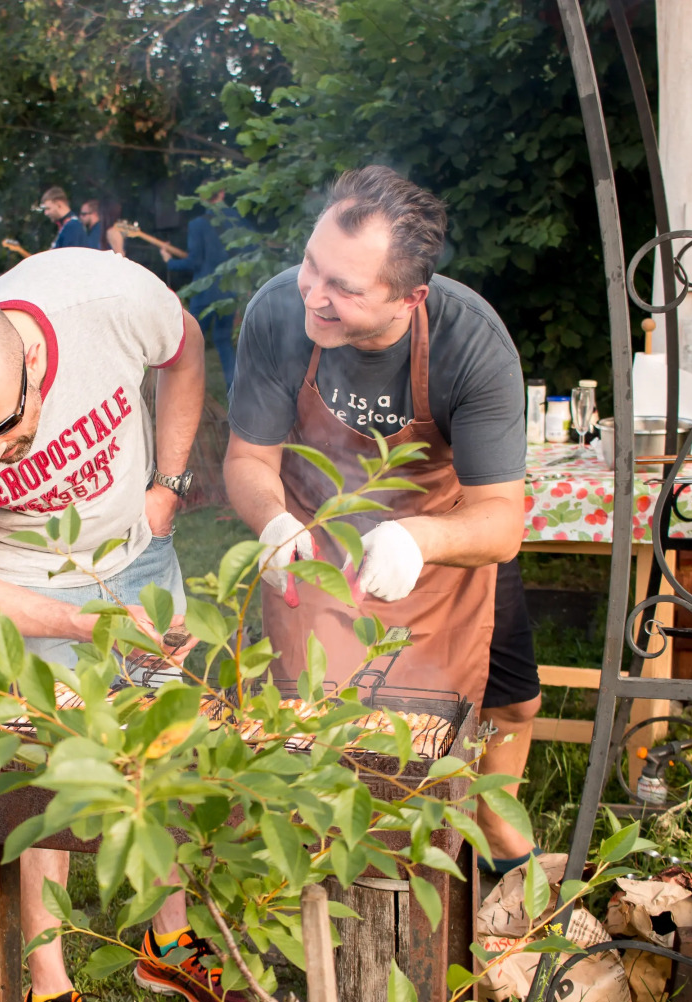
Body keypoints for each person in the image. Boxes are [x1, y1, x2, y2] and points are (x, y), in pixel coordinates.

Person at [0, 247, 251, 1002]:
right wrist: (88, 627)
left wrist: (166, 481)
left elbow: (185, 344)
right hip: (26, 588)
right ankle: (48, 996)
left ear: (35, 362)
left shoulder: (102, 298)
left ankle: (170, 941)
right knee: (43, 786)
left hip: (137, 553)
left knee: (167, 747)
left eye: (4, 431)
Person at [224, 165, 540, 870]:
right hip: (315, 548)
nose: (314, 295)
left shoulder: (470, 343)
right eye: (312, 265)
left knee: (509, 706)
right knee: (316, 734)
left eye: (345, 288)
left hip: (442, 540)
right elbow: (247, 459)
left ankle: (495, 845)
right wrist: (274, 522)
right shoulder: (279, 312)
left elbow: (501, 522)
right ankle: (322, 878)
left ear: (410, 297)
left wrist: (417, 537)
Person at [161, 191, 240, 391]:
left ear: (203, 198)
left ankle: (183, 389)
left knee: (190, 343)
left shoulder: (198, 224)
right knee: (223, 340)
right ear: (222, 193)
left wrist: (169, 261)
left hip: (205, 293)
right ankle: (234, 390)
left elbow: (194, 262)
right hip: (229, 290)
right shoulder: (235, 220)